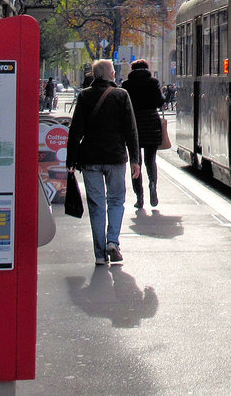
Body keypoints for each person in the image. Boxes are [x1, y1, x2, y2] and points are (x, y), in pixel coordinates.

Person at [66, 59, 139, 266]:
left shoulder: (85, 96)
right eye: (114, 71)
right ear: (108, 74)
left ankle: (99, 254)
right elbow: (131, 131)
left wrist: (70, 161)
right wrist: (135, 159)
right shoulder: (121, 95)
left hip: (90, 159)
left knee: (96, 205)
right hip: (116, 158)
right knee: (116, 201)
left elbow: (75, 132)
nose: (115, 73)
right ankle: (113, 242)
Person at [123, 59, 165, 208]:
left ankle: (139, 196)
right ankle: (152, 184)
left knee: (136, 162)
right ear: (146, 68)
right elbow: (160, 101)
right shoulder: (153, 82)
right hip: (151, 123)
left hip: (133, 124)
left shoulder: (127, 84)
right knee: (150, 160)